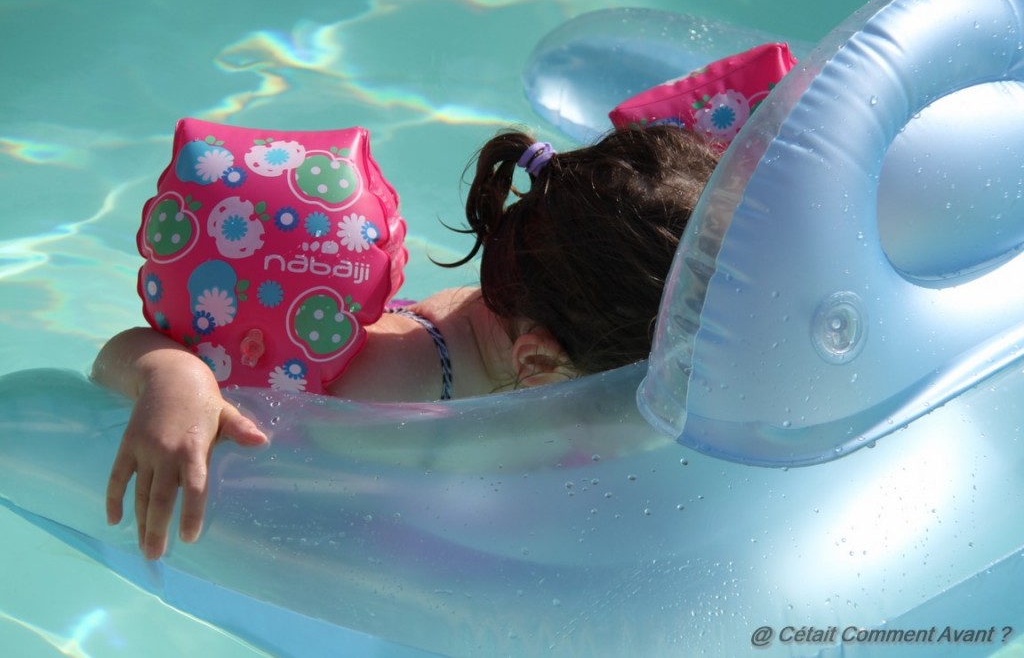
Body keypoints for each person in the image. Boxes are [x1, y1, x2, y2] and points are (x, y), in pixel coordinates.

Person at [91, 125, 721, 559]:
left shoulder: (508, 320)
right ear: (540, 365)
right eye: (671, 387)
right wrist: (176, 379)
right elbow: (115, 358)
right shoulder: (383, 401)